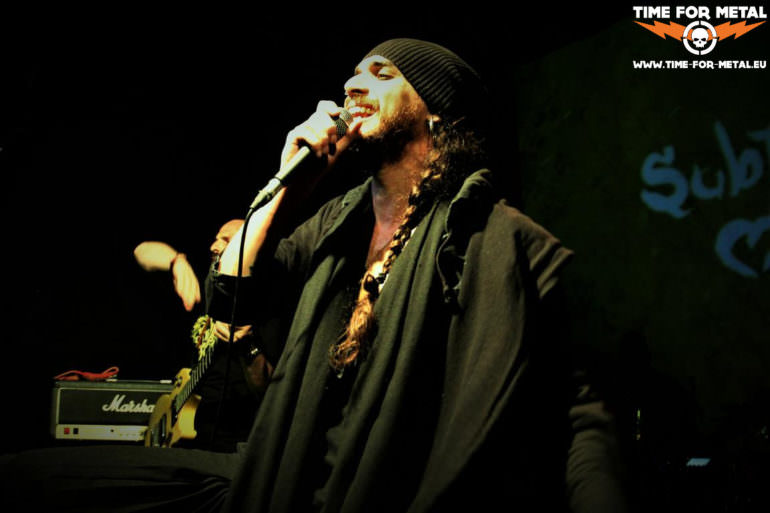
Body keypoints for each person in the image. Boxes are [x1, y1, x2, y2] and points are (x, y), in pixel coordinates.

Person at [1, 38, 626, 513]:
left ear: (436, 113)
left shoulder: (503, 240)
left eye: (382, 74)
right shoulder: (336, 220)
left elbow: (581, 414)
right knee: (25, 477)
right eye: (353, 73)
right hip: (276, 475)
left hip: (382, 490)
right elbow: (232, 294)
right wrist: (290, 186)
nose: (353, 83)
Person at [135, 219, 273, 452]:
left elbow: (270, 390)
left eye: (226, 240)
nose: (213, 246)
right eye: (216, 238)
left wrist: (247, 345)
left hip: (235, 440)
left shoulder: (266, 305)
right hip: (192, 430)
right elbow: (142, 251)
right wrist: (177, 261)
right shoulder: (204, 283)